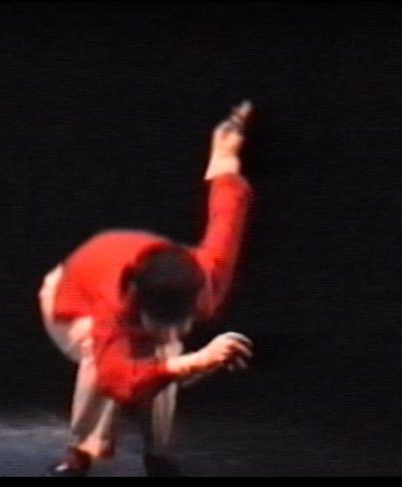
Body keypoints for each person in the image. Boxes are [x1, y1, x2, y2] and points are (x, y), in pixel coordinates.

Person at [39, 100, 256, 477]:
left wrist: (224, 148)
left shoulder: (208, 273)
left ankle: (156, 452)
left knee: (162, 350)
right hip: (72, 300)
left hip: (134, 287)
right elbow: (117, 379)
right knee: (104, 356)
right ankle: (82, 449)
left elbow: (228, 206)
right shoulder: (112, 303)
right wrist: (199, 360)